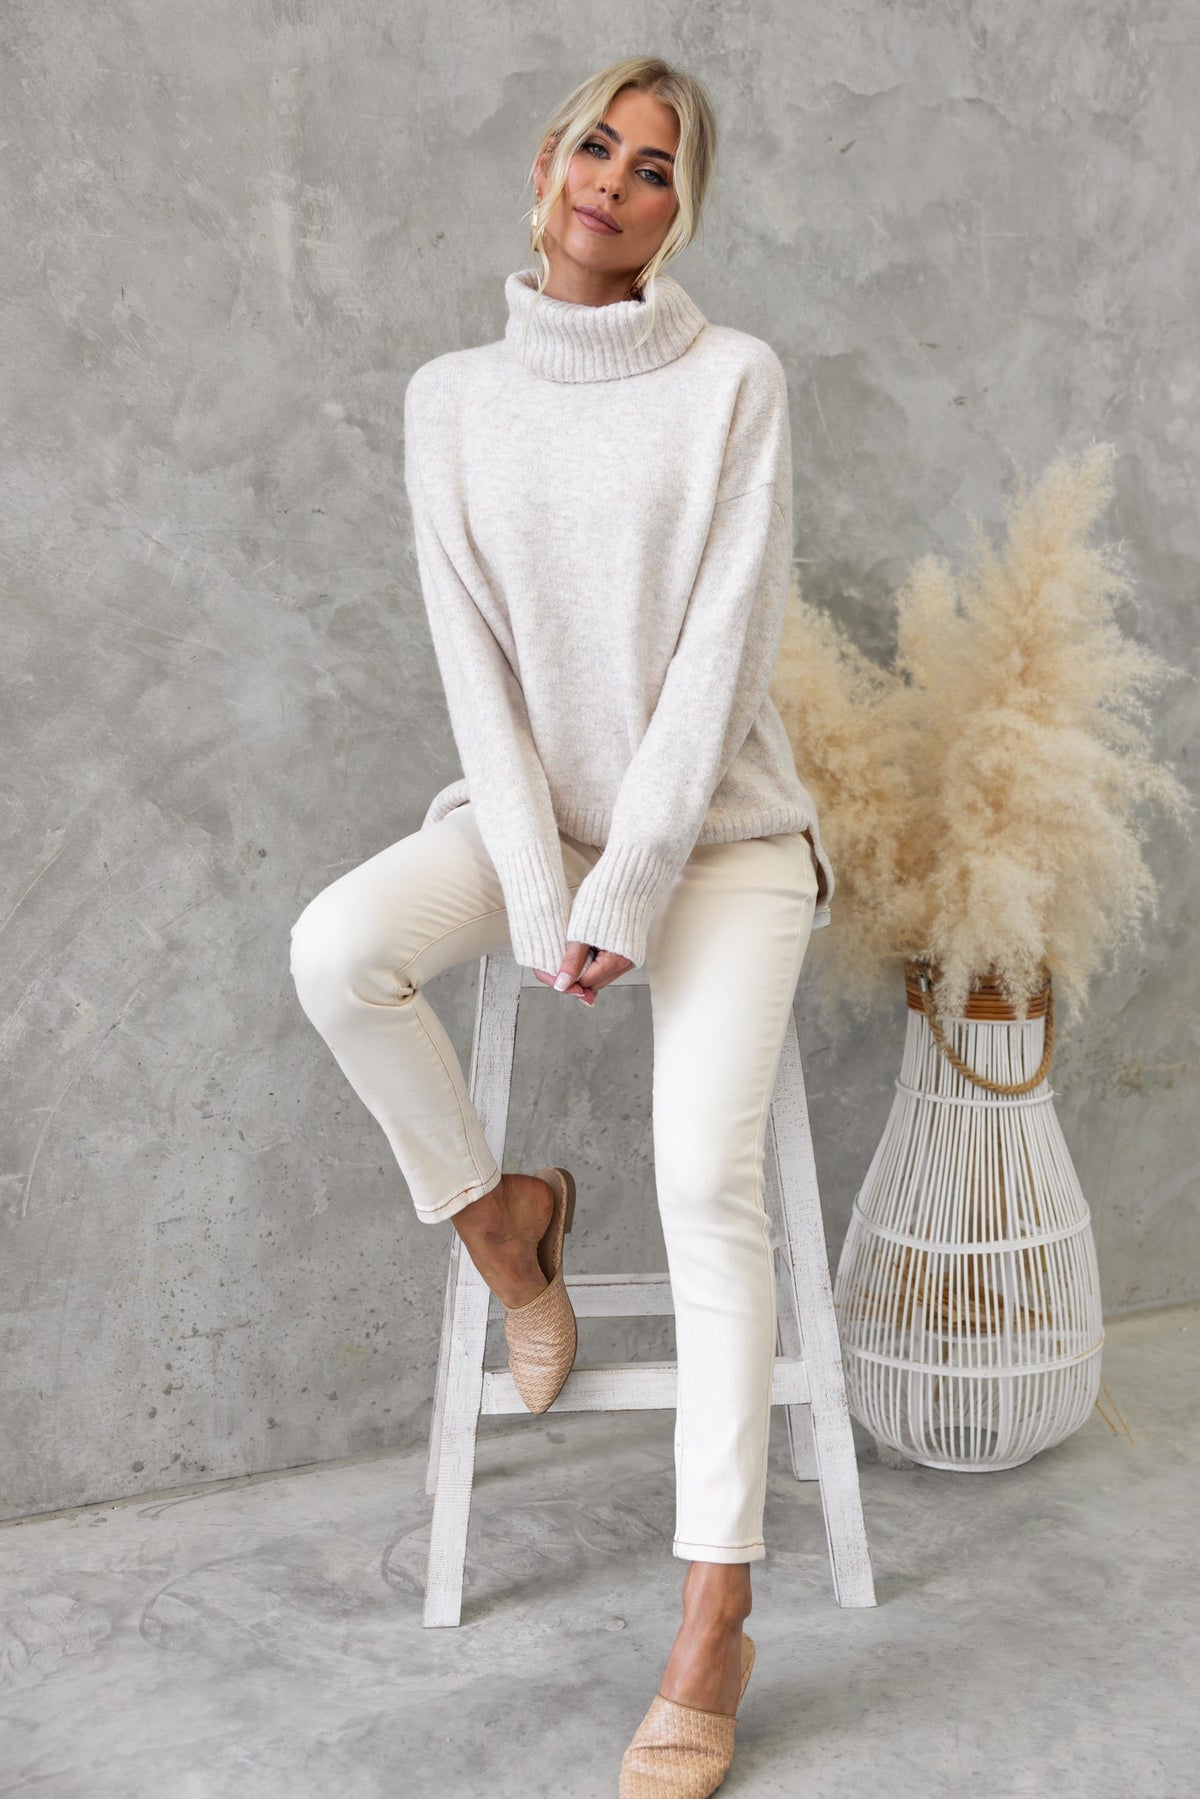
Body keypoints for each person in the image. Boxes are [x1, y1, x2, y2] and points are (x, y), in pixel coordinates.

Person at [289, 55, 835, 1798]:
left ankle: (713, 1620)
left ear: (686, 214)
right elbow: (478, 674)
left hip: (726, 840)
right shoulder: (448, 396)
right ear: (546, 166)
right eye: (596, 143)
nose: (616, 178)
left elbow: (716, 673)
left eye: (657, 166)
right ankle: (506, 1231)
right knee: (335, 951)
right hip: (534, 825)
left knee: (701, 1188)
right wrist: (541, 888)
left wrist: (623, 887)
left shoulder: (734, 383)